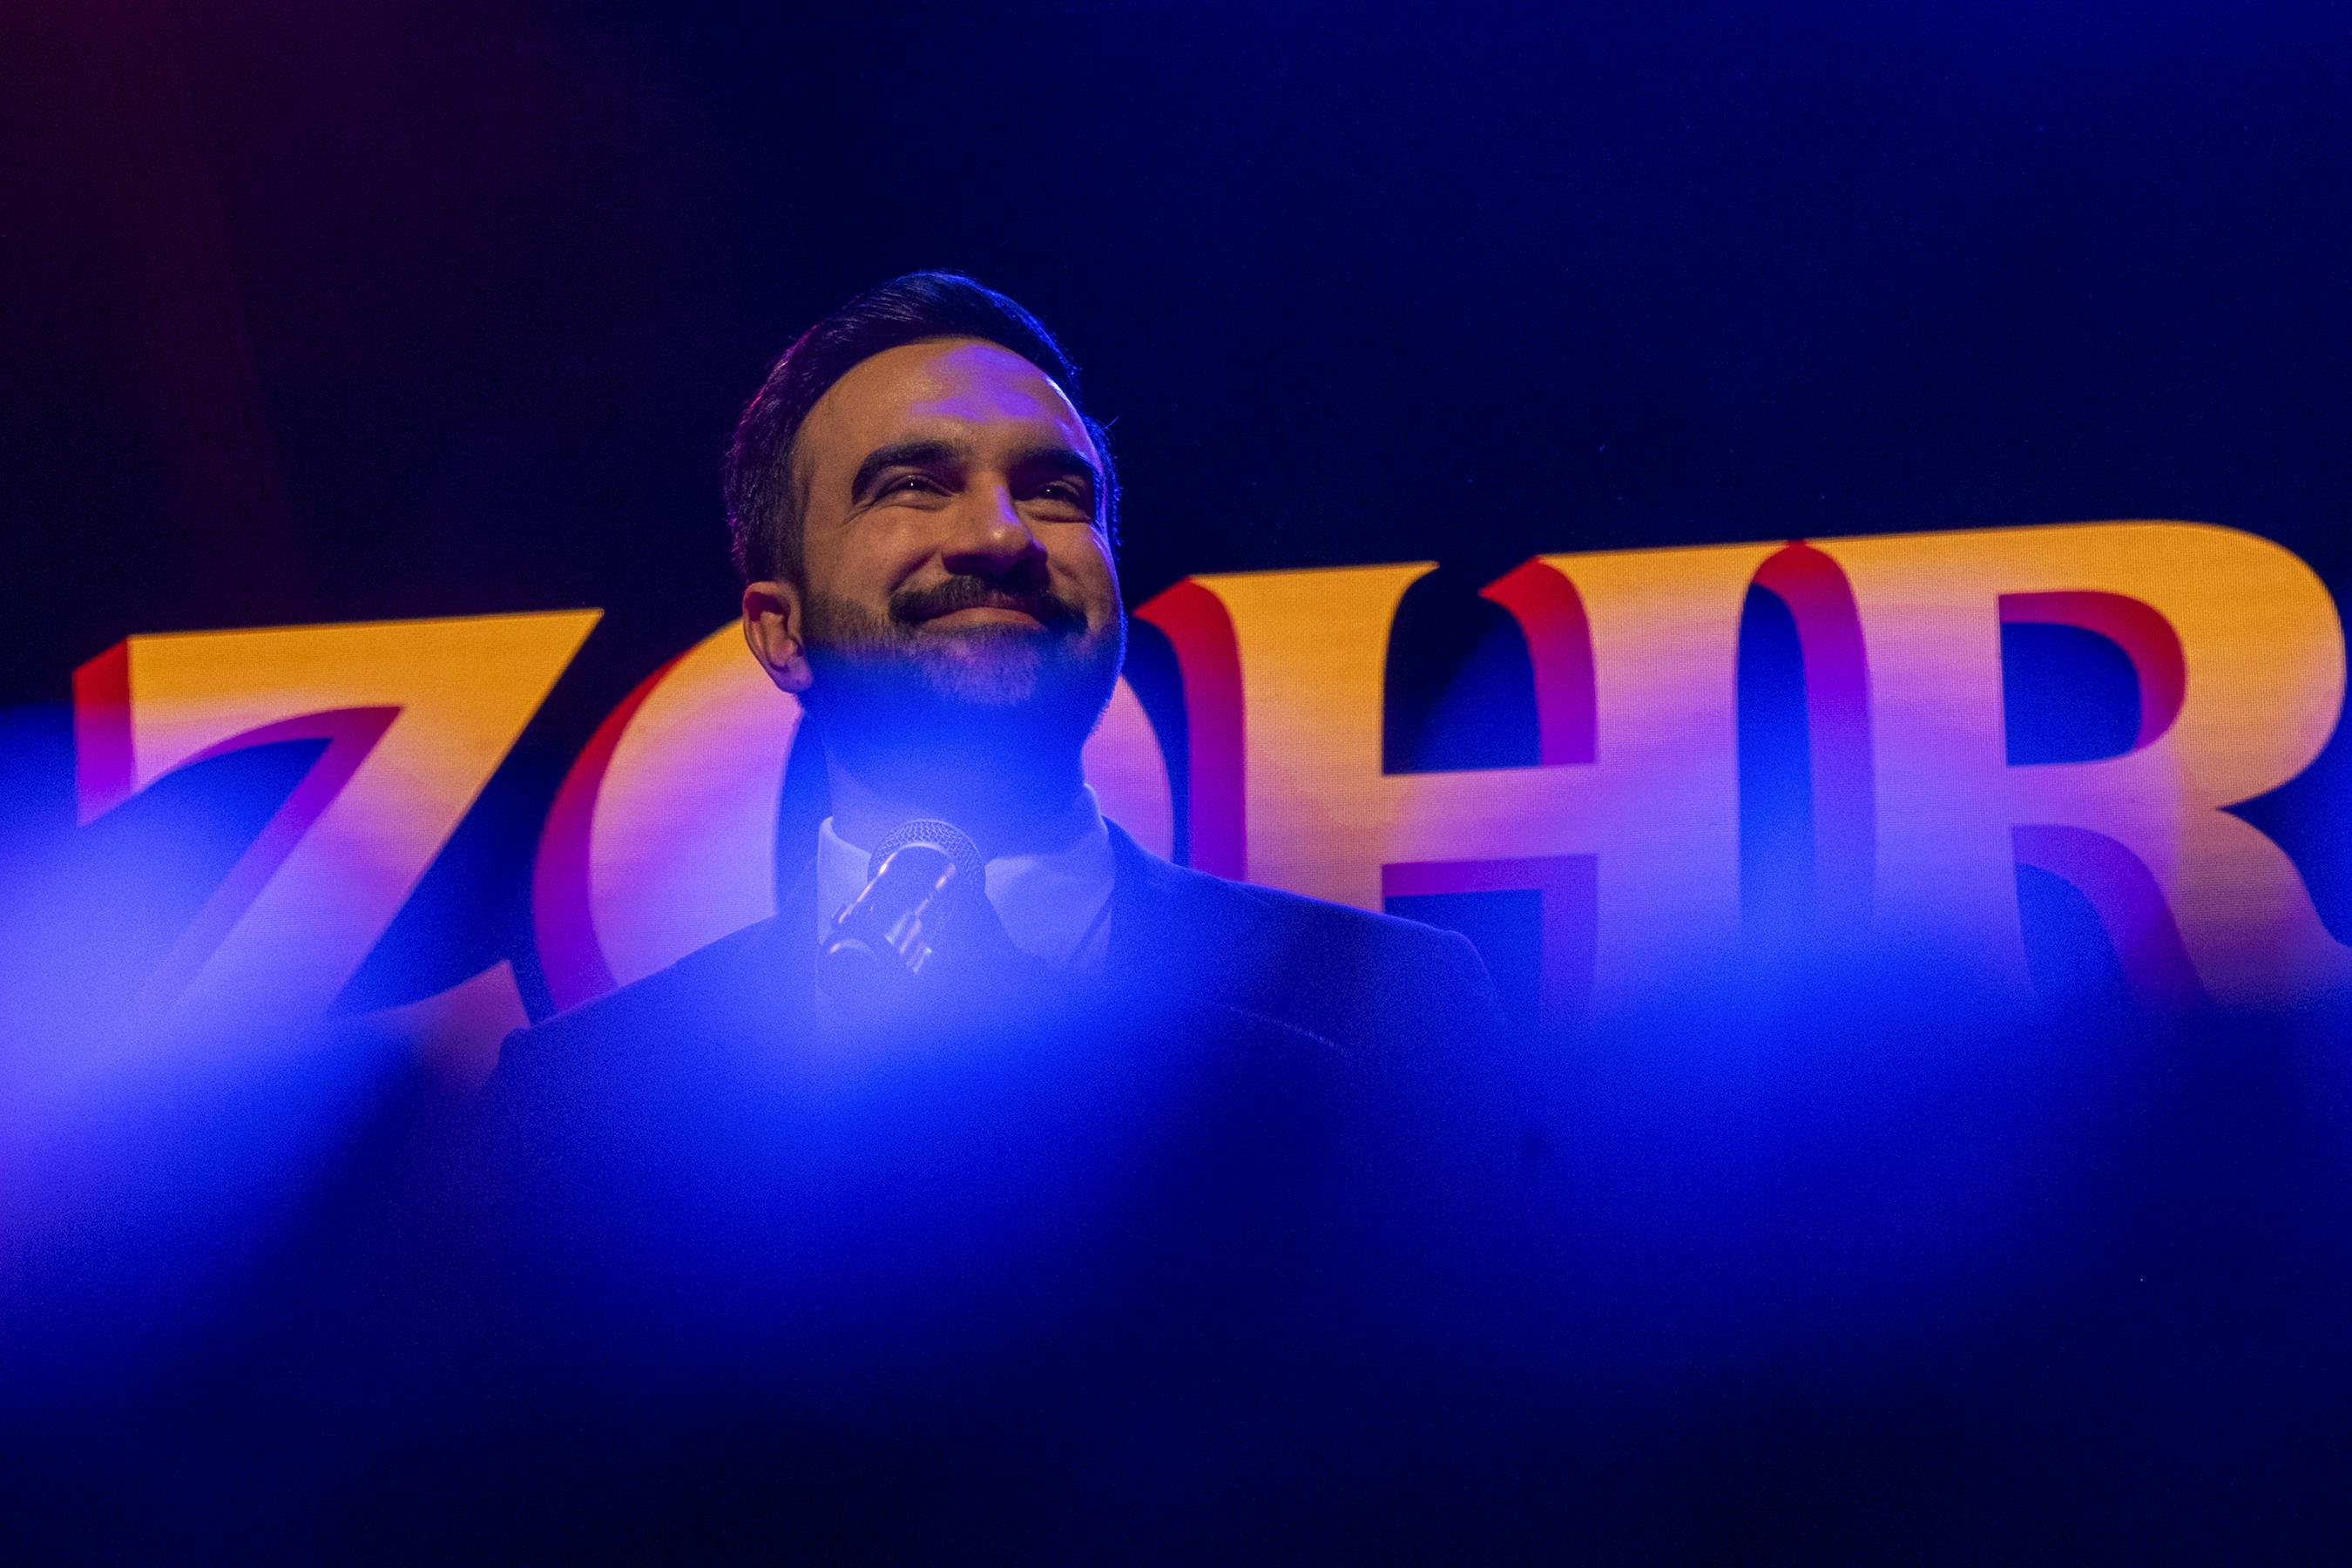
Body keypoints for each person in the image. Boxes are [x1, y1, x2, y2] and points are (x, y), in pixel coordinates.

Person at [459, 274, 1531, 1557]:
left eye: (1055, 491)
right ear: (778, 631)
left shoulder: (1389, 1010)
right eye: (913, 484)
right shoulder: (583, 1100)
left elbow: (1497, 1485)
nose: (1001, 534)